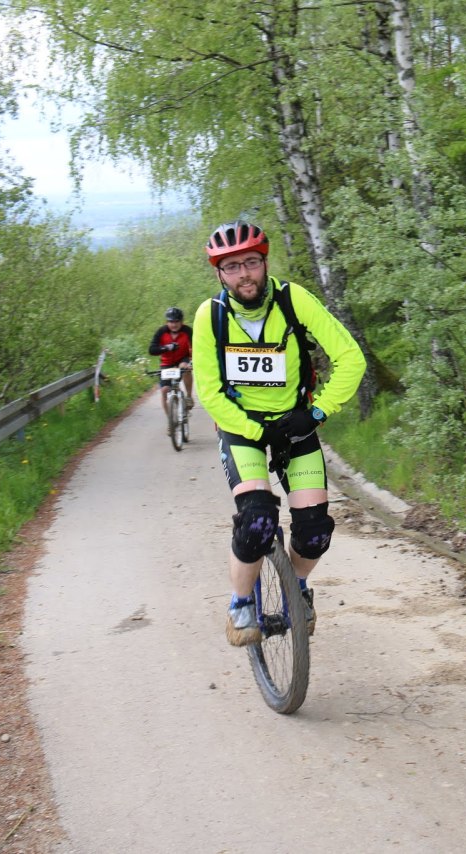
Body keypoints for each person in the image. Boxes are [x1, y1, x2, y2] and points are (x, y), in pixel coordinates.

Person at [192, 221, 366, 646]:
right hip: (242, 430)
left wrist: (318, 412)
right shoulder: (209, 316)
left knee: (316, 530)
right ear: (220, 274)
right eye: (232, 267)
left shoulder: (293, 300)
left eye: (251, 262)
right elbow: (210, 393)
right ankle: (240, 604)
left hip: (296, 426)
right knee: (257, 520)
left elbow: (350, 358)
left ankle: (298, 588)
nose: (244, 274)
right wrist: (255, 428)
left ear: (265, 262)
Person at [148, 307, 194, 421]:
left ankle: (188, 396)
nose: (174, 324)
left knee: (185, 368)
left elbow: (196, 346)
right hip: (166, 363)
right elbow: (152, 350)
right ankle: (171, 421)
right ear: (166, 322)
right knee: (164, 390)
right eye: (171, 322)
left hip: (182, 359)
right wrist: (166, 347)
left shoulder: (187, 331)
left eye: (176, 321)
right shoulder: (161, 331)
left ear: (181, 321)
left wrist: (193, 361)